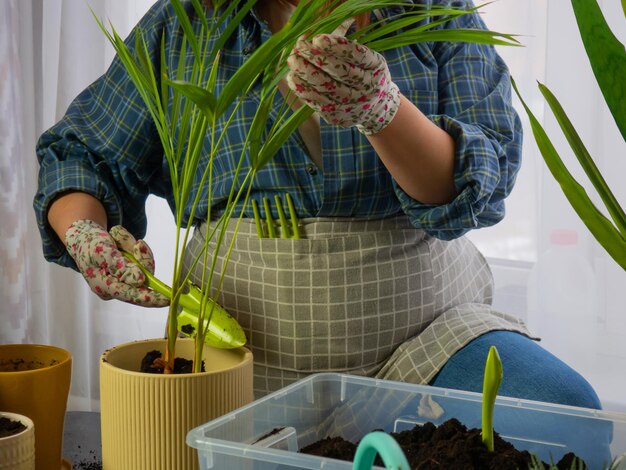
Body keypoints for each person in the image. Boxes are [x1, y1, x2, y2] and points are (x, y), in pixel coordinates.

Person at [36, 0, 602, 410]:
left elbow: (480, 179)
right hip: (234, 354)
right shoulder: (186, 24)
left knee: (562, 405)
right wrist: (85, 234)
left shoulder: (434, 12)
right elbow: (84, 152)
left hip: (423, 341)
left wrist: (383, 110)